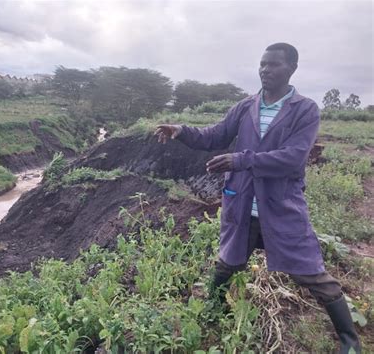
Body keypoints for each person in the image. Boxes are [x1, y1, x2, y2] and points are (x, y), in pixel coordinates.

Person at [155, 43, 361, 353]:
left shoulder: (305, 109)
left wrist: (240, 160)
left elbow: (293, 158)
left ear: (291, 68)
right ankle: (214, 313)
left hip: (280, 206)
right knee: (227, 262)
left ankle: (349, 338)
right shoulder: (246, 106)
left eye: (273, 65)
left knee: (311, 273)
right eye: (262, 64)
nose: (265, 69)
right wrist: (181, 130)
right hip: (242, 202)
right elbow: (215, 135)